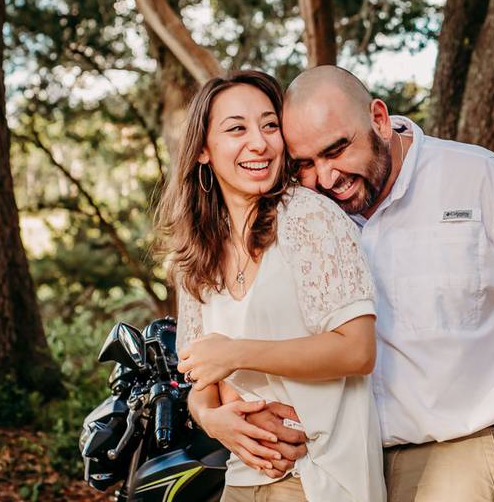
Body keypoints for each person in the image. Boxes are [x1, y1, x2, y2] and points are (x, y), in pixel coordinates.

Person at [194, 65, 494, 502]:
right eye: (305, 163)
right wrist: (216, 413)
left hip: (470, 446)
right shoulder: (307, 217)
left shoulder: (483, 182)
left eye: (337, 150)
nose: (326, 177)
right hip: (357, 458)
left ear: (378, 119)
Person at [156, 70, 386, 502]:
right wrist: (212, 419)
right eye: (236, 129)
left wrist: (235, 352)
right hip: (243, 479)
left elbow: (358, 350)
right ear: (204, 149)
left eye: (269, 125)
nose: (259, 143)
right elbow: (199, 374)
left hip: (322, 477)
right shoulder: (198, 251)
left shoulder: (309, 218)